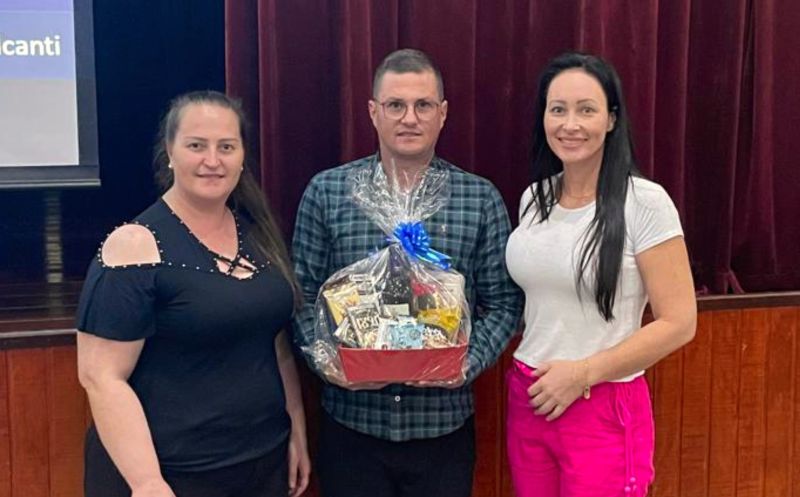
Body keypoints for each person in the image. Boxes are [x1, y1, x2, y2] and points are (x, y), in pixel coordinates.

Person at [292, 48, 523, 497]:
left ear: (443, 113)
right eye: (395, 105)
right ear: (373, 112)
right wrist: (330, 365)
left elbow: (504, 303)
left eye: (423, 105)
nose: (409, 118)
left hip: (442, 430)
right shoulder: (329, 192)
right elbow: (301, 294)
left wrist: (467, 362)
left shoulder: (479, 199)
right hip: (351, 427)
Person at [76, 90, 310, 497]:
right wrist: (147, 482)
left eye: (226, 147)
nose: (212, 160)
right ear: (170, 152)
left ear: (242, 157)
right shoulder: (133, 246)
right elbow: (101, 376)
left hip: (261, 464)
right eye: (196, 146)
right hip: (170, 475)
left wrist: (297, 429)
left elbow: (276, 345)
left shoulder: (259, 235)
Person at [504, 52, 697, 497]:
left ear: (611, 119)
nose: (570, 124)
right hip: (530, 396)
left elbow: (680, 322)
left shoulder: (645, 202)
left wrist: (584, 373)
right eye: (558, 109)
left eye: (586, 110)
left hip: (602, 403)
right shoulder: (535, 198)